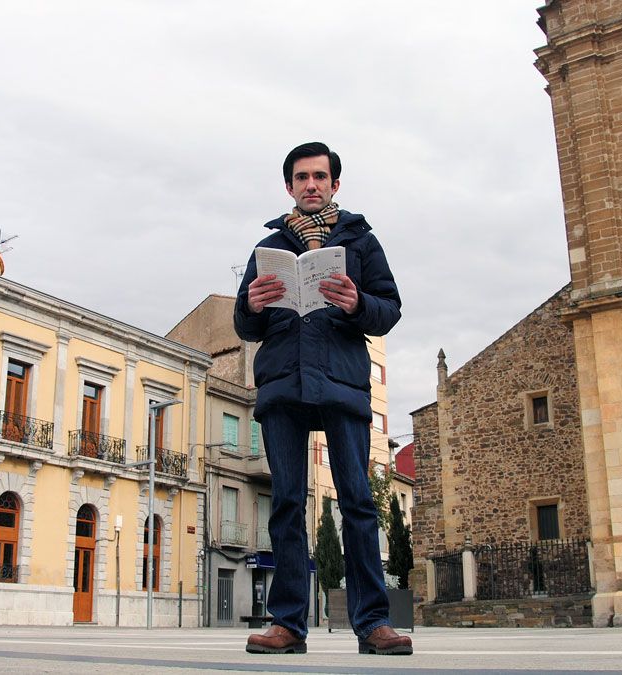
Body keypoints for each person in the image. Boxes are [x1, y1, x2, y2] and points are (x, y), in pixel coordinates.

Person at [234, 142, 411, 656]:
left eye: (320, 176)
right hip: (284, 385)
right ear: (288, 186)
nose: (311, 185)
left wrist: (358, 303)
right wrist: (251, 303)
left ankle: (373, 623)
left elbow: (389, 308)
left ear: (335, 184)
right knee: (287, 504)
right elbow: (245, 326)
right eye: (301, 177)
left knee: (358, 504)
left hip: (341, 384)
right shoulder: (267, 248)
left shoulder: (362, 243)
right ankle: (287, 625)